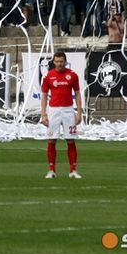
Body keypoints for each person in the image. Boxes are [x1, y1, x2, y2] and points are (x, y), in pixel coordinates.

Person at [40, 51, 83, 179]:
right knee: (52, 139)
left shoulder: (72, 75)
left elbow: (78, 93)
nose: (59, 64)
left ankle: (73, 170)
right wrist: (43, 114)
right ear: (53, 62)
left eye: (61, 61)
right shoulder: (48, 76)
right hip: (53, 110)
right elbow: (43, 95)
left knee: (70, 139)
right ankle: (51, 170)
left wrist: (79, 112)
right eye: (57, 61)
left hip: (68, 110)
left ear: (65, 62)